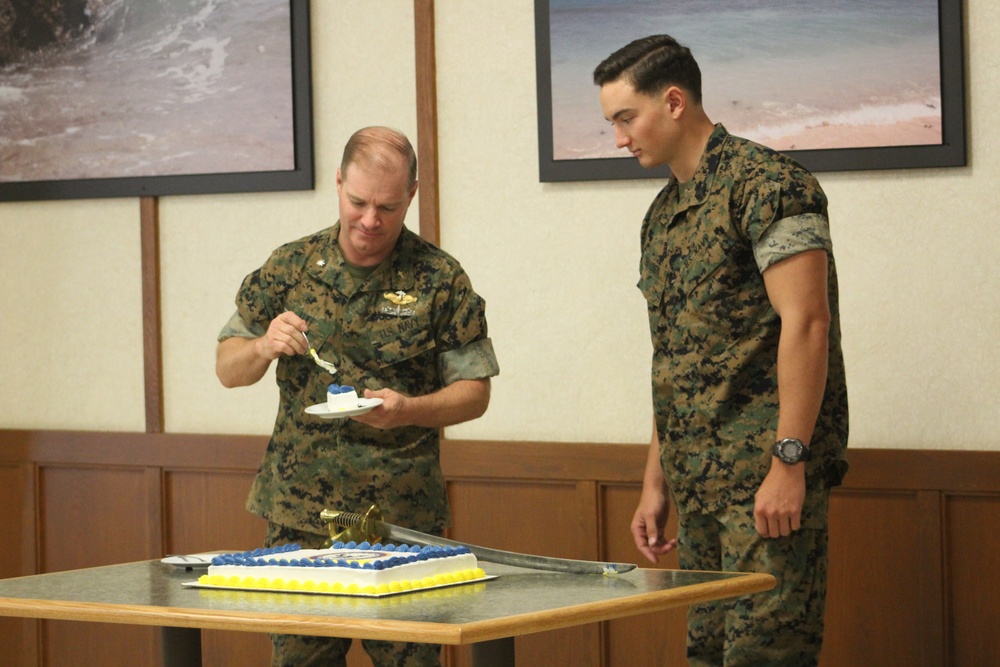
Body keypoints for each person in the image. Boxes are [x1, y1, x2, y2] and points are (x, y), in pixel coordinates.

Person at [593, 36, 849, 667]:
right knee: (707, 652)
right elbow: (674, 358)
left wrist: (790, 462)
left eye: (627, 118)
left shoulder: (768, 185)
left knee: (766, 655)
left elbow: (808, 323)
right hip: (698, 484)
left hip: (764, 480)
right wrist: (656, 481)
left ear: (674, 101)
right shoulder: (663, 214)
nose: (620, 138)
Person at [215, 126, 500, 667]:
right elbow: (228, 368)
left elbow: (475, 392)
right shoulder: (290, 266)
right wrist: (262, 347)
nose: (371, 220)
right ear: (339, 183)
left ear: (412, 194)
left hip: (399, 521)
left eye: (388, 207)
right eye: (359, 202)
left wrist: (409, 411)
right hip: (300, 517)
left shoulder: (440, 278)